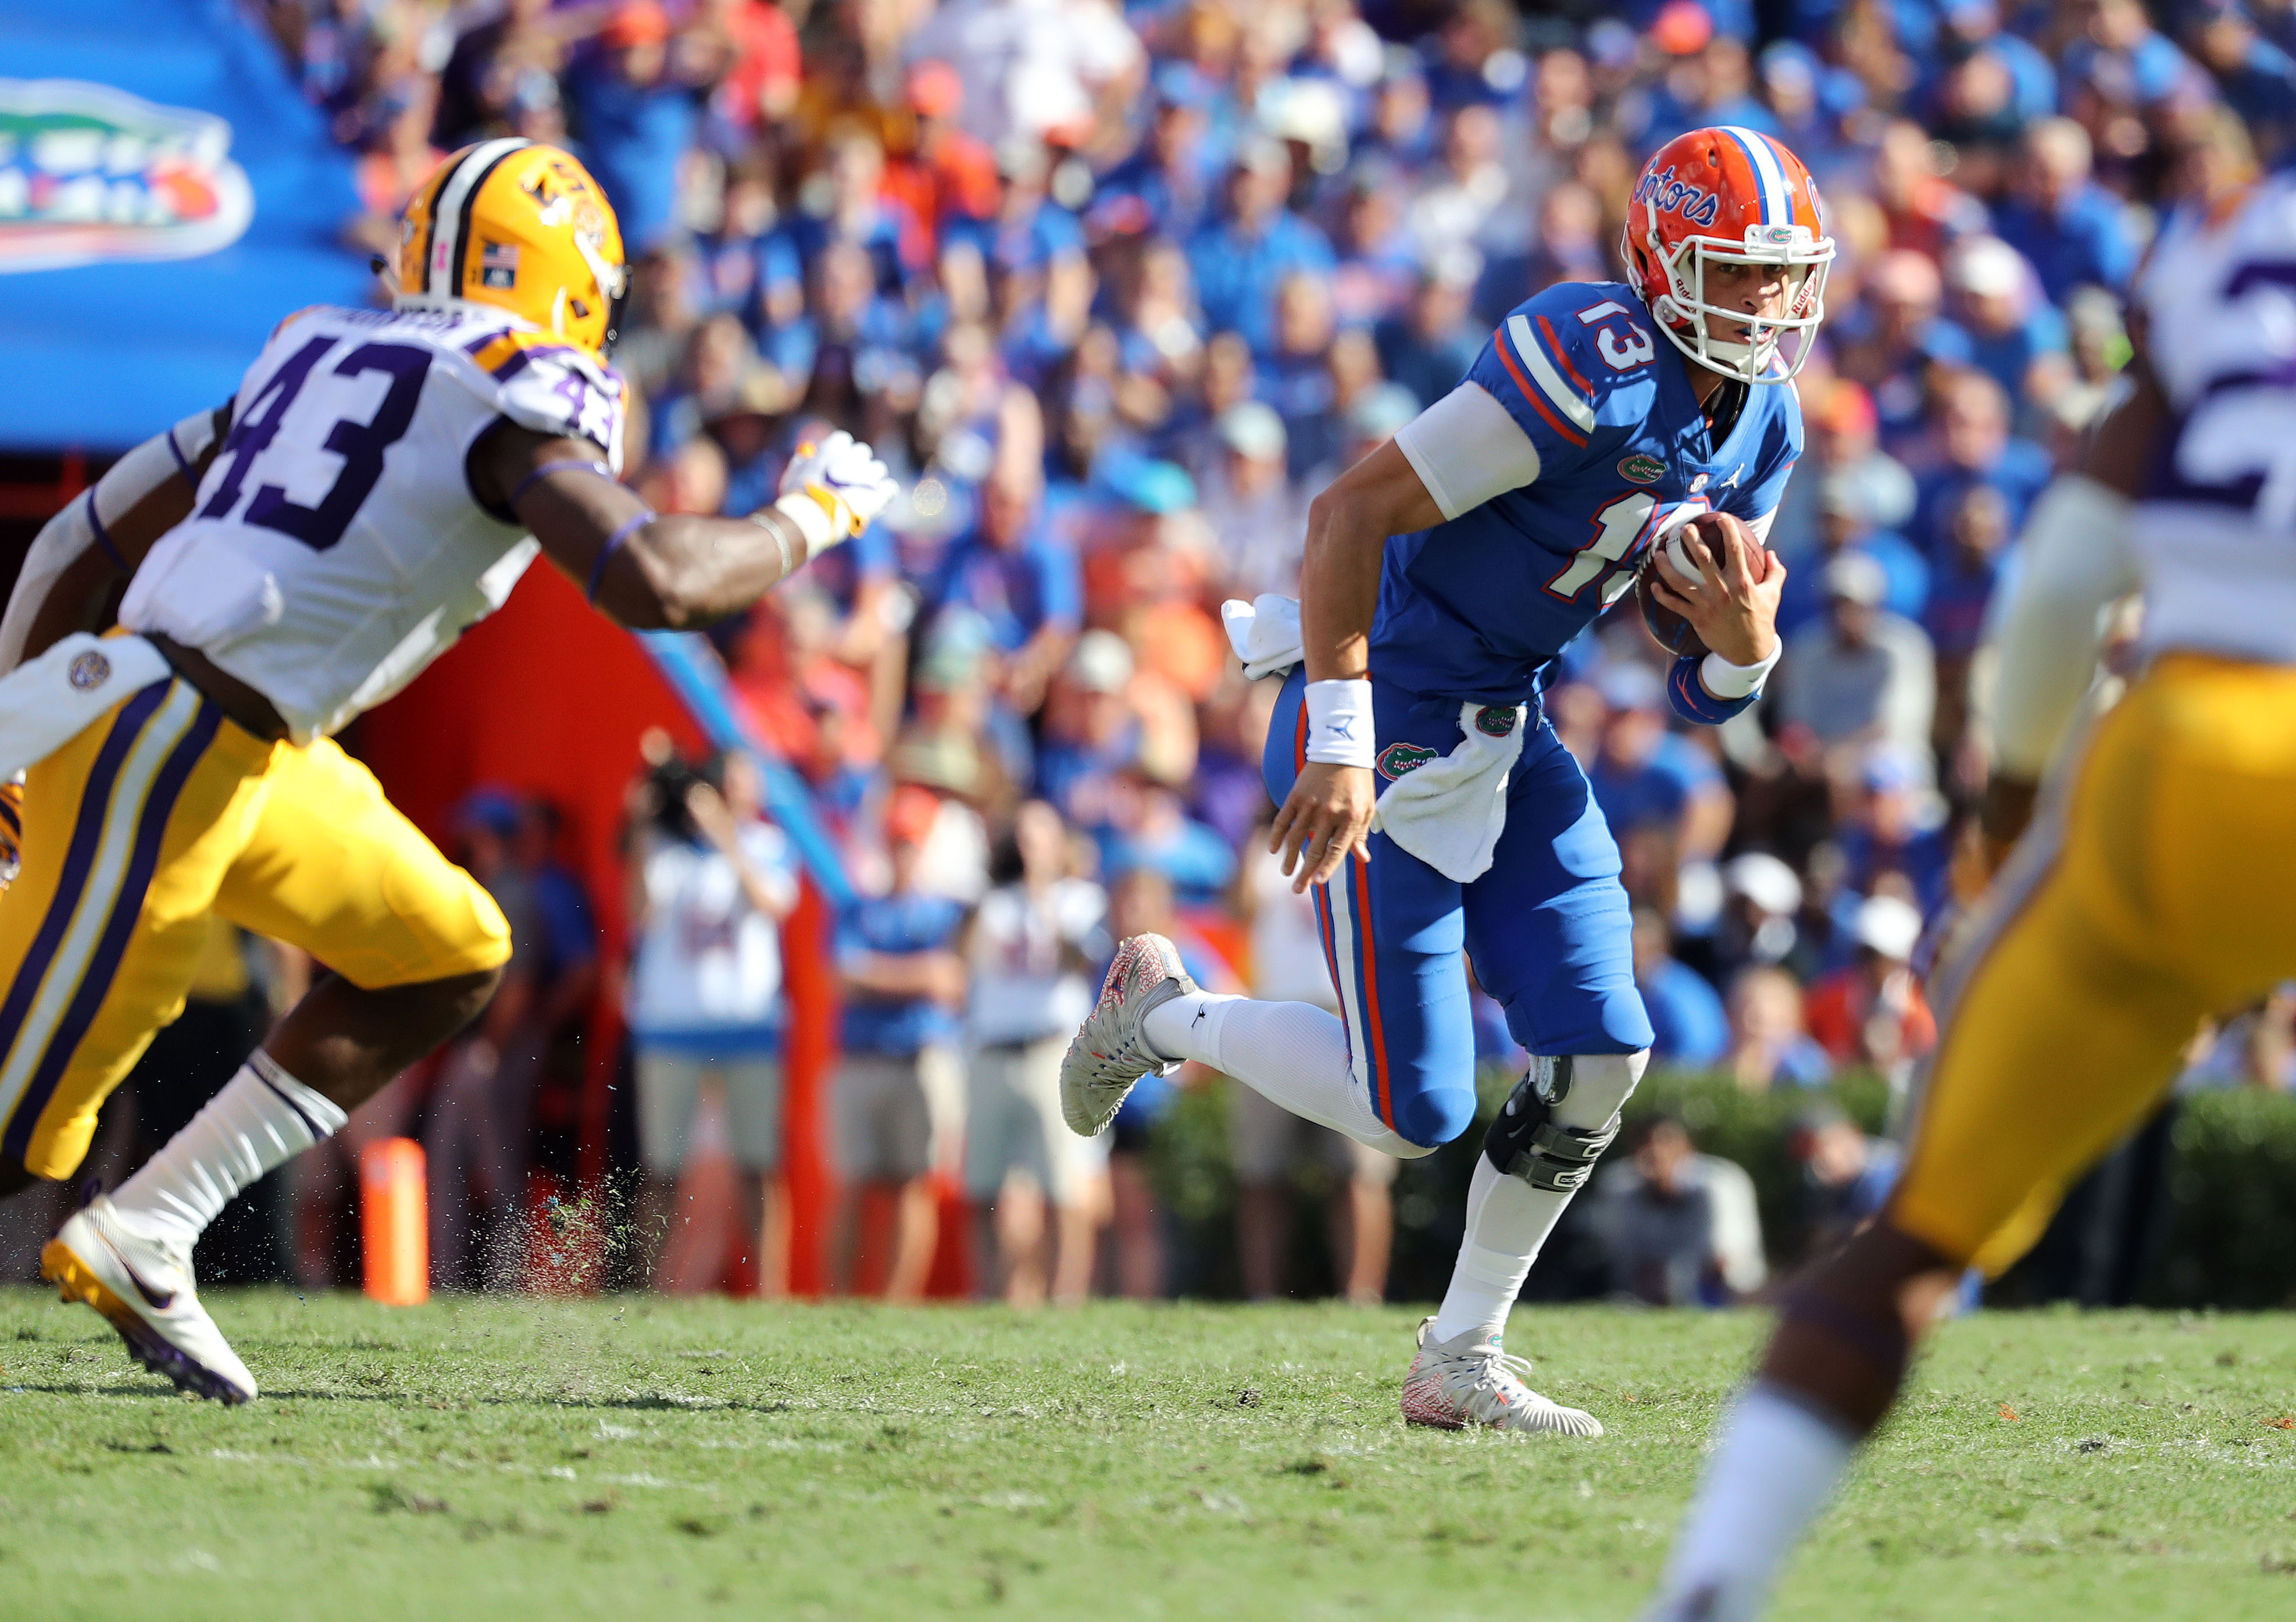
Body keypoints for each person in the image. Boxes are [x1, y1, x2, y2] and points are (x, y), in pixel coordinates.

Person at [19, 138, 898, 1402]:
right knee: (16, 1130)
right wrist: (806, 517)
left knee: (440, 949)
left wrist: (17, 723)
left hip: (233, 733)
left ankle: (150, 1225)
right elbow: (656, 579)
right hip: (166, 738)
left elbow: (68, 545)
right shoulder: (504, 385)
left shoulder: (309, 346)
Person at [1062, 127, 1829, 1434]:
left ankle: (1458, 1355)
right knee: (1410, 1109)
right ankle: (1164, 1009)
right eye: (1738, 272)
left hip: (1507, 721)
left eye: (1784, 275)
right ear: (1659, 259)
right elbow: (1345, 516)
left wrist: (1748, 652)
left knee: (1602, 1050)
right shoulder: (1592, 355)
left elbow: (1699, 686)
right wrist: (1343, 741)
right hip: (1387, 712)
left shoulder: (1761, 426)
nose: (1769, 303)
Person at [1642, 162, 2296, 1622]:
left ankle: (1705, 1594)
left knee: (1916, 1239)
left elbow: (2064, 581)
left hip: (2189, 761)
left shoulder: (2238, 236)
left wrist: (2007, 819)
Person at [623, 748, 799, 1291]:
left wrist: (724, 834)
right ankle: (648, 1288)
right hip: (672, 1027)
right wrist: (636, 827)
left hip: (748, 1027)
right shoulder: (664, 848)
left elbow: (771, 902)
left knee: (757, 1163)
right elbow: (638, 913)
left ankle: (772, 1290)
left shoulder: (768, 844)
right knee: (663, 1168)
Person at [1230, 839, 1398, 1304]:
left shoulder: (1362, 845)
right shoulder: (1265, 850)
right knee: (1262, 1169)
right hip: (1272, 1009)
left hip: (1348, 1012)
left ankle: (1362, 1294)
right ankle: (1262, 1294)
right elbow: (1238, 909)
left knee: (1357, 1168)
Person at [964, 800, 1106, 1306]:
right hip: (993, 1047)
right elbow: (967, 962)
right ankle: (989, 1291)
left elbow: (1078, 960)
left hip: (1053, 1048)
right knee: (982, 1184)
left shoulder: (1080, 899)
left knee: (1064, 1185)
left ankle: (1065, 1297)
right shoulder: (992, 902)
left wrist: (1042, 894)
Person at [831, 785, 969, 1300]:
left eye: (911, 843)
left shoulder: (946, 913)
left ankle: (898, 1304)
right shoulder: (858, 908)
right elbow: (844, 976)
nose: (903, 853)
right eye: (897, 842)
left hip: (922, 1059)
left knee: (915, 1185)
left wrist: (876, 974)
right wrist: (919, 975)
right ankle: (837, 1300)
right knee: (852, 1185)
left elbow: (952, 979)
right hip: (864, 1059)